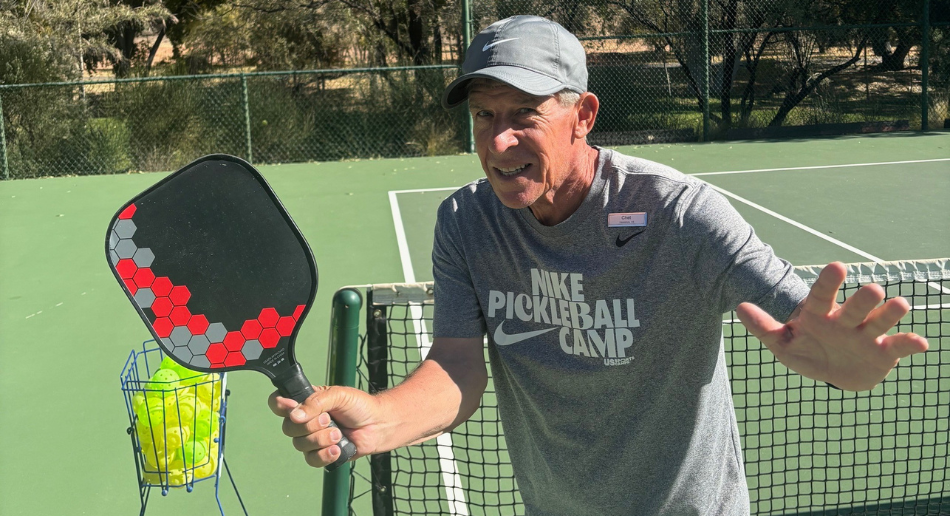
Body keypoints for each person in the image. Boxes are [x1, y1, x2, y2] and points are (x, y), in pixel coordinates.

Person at [268, 15, 929, 515]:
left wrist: (844, 368)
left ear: (582, 115)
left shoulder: (681, 214)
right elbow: (457, 368)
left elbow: (804, 321)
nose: (499, 140)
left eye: (524, 114)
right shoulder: (467, 223)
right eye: (483, 115)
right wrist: (381, 417)